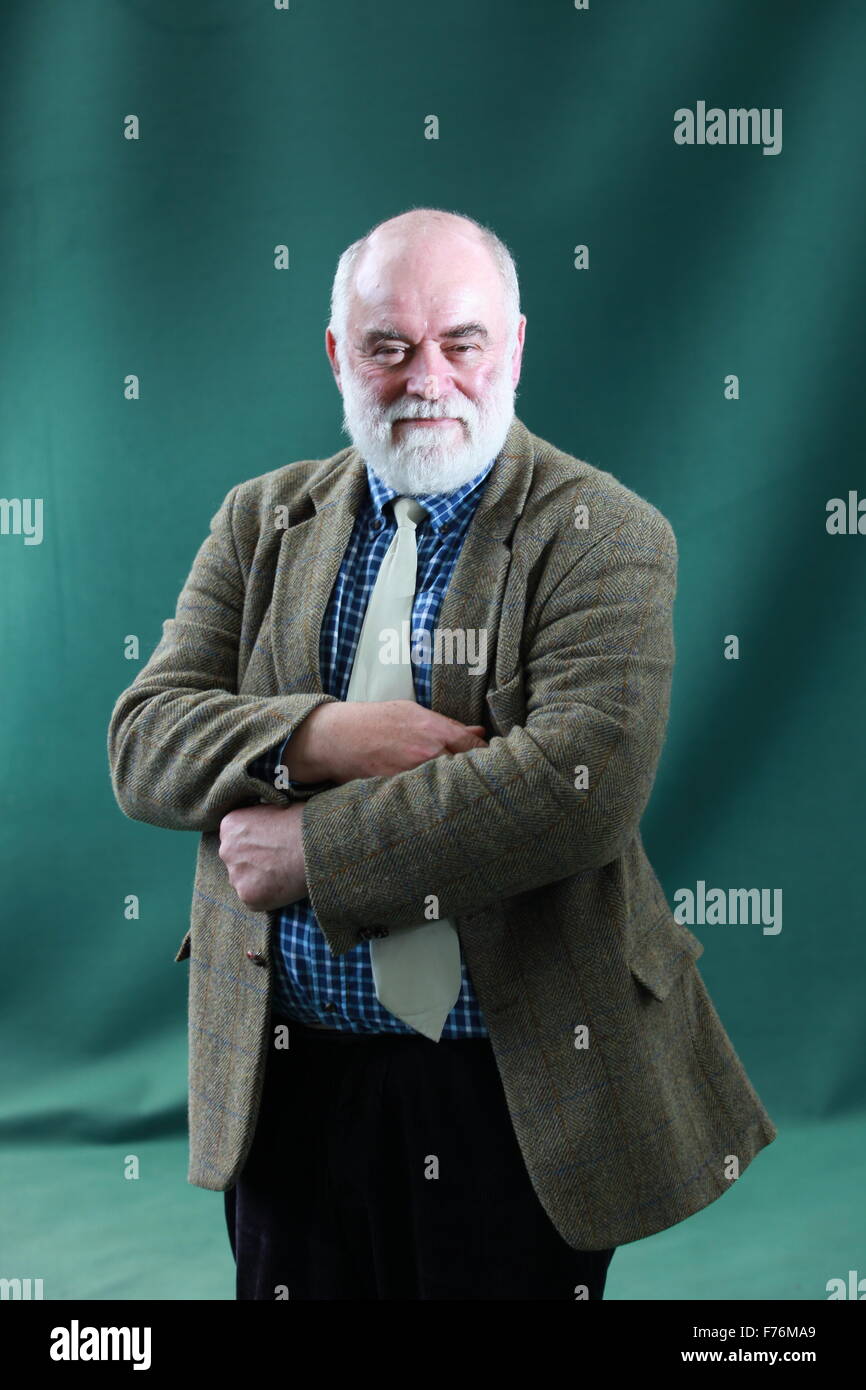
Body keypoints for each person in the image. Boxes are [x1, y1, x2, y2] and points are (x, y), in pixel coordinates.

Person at [107, 206, 777, 1301]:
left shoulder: (603, 531)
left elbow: (578, 787)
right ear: (338, 355)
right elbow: (144, 740)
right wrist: (321, 736)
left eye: (460, 341)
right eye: (387, 345)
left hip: (510, 1090)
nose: (427, 376)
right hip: (289, 1078)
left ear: (511, 346)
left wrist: (312, 852)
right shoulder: (257, 519)